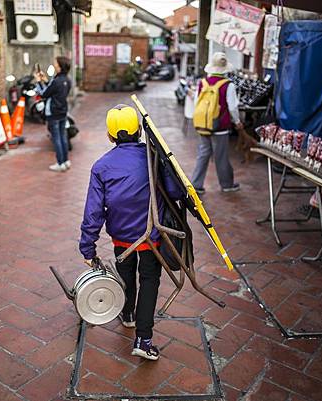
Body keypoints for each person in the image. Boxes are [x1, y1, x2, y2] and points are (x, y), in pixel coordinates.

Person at [79, 105, 182, 361]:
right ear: (138, 131)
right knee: (149, 281)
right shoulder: (152, 158)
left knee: (125, 276)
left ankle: (127, 315)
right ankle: (143, 340)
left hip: (121, 239)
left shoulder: (101, 166)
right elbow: (177, 193)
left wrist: (88, 248)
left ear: (110, 136)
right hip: (152, 237)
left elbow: (93, 212)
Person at [190, 52, 243, 194]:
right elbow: (232, 107)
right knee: (221, 156)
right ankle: (227, 185)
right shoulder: (228, 85)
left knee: (203, 154)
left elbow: (196, 103)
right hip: (220, 127)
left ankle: (196, 184)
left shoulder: (202, 82)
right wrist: (237, 121)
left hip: (203, 125)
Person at [34, 57, 72, 172]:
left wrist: (37, 81)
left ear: (60, 66)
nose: (54, 64)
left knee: (56, 138)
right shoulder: (66, 80)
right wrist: (45, 81)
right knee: (63, 137)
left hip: (53, 113)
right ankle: (66, 161)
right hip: (62, 112)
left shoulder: (56, 81)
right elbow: (54, 90)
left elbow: (44, 94)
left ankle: (60, 163)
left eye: (55, 63)